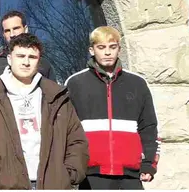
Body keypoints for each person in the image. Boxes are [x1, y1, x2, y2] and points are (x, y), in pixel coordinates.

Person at [0, 33, 89, 189]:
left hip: (53, 184)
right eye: (20, 56)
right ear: (9, 59)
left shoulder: (57, 97)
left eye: (32, 57)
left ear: (39, 61)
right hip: (8, 184)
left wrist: (69, 173)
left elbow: (76, 140)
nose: (26, 62)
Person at [65, 26, 159, 189]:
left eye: (112, 47)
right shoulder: (75, 83)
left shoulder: (137, 83)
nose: (107, 52)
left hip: (130, 173)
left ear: (119, 50)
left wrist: (149, 163)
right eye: (101, 47)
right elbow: (65, 129)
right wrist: (70, 166)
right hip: (90, 174)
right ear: (92, 50)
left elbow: (149, 127)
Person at [0, 11, 55, 87]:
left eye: (16, 28)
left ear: (25, 29)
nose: (12, 34)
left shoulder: (43, 64)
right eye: (7, 31)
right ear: (3, 34)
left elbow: (53, 92)